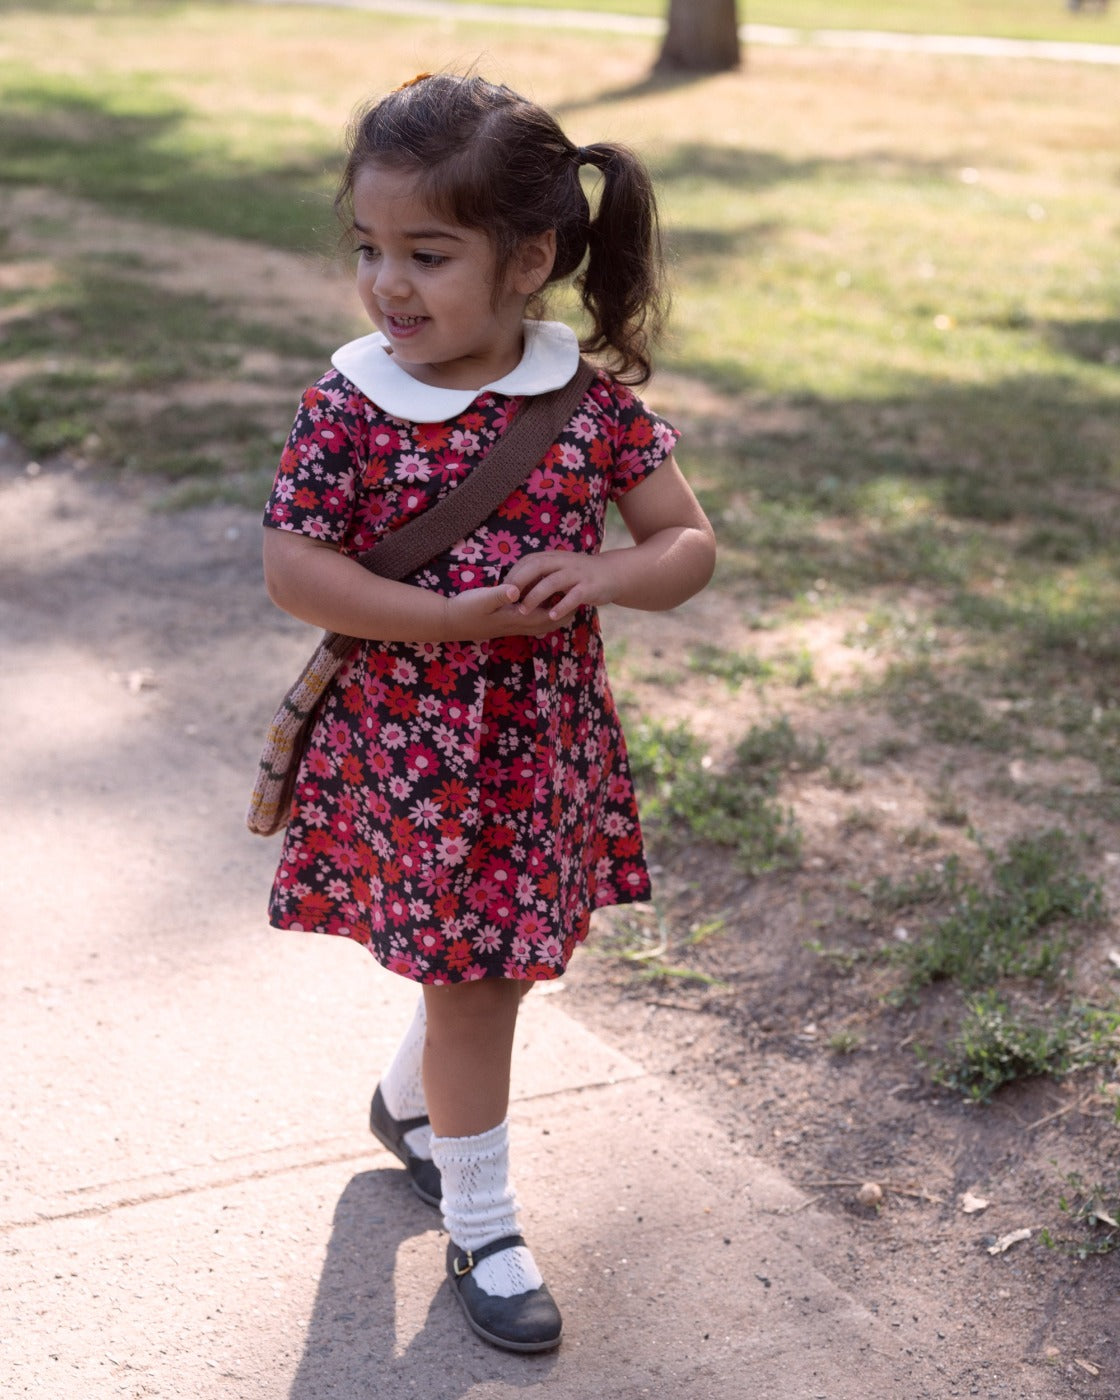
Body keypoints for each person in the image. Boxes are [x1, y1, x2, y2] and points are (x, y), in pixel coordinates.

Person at [260, 71, 716, 1354]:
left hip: (535, 748)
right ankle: (485, 1219)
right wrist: (452, 621)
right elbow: (297, 567)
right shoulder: (351, 403)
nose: (387, 284)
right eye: (368, 249)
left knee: (494, 961)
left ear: (529, 258)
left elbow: (685, 540)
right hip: (411, 748)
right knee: (478, 972)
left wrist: (611, 573)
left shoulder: (584, 406)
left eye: (426, 253)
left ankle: (413, 1106)